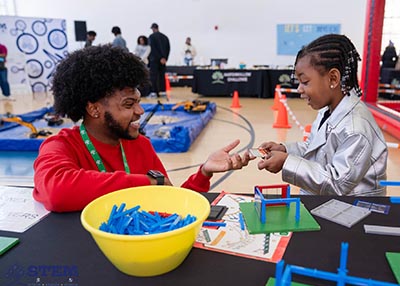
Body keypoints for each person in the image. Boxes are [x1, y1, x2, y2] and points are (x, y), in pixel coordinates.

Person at [33, 45, 252, 212]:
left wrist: (204, 172)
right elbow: (57, 191)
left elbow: (170, 202)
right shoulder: (61, 146)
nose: (140, 111)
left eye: (138, 101)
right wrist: (147, 182)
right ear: (94, 108)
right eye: (128, 104)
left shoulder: (140, 144)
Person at [256, 34, 387, 197]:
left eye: (305, 82)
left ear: (333, 78)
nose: (299, 89)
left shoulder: (356, 128)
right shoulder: (327, 110)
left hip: (357, 211)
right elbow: (314, 148)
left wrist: (286, 162)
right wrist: (284, 149)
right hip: (329, 204)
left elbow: (338, 183)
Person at [148, 23, 170, 98]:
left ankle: (154, 92)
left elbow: (152, 49)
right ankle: (163, 91)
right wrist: (164, 58)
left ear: (153, 29)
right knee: (162, 76)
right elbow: (168, 48)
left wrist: (159, 58)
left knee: (153, 76)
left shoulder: (151, 37)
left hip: (154, 60)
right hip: (163, 61)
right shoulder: (165, 37)